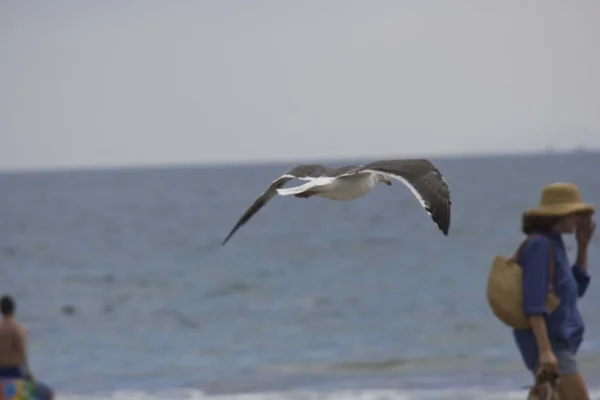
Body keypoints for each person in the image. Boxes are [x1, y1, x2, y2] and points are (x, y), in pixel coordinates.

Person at [513, 182, 595, 400]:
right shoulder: (540, 246)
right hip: (552, 346)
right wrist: (545, 351)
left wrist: (583, 245)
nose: (578, 220)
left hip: (559, 347)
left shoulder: (555, 245)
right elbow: (534, 304)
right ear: (562, 213)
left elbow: (574, 291)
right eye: (576, 214)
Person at [0, 295, 54, 400]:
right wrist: (29, 374)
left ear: (1, 310)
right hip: (15, 373)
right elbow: (22, 354)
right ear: (13, 310)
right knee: (48, 393)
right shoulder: (19, 329)